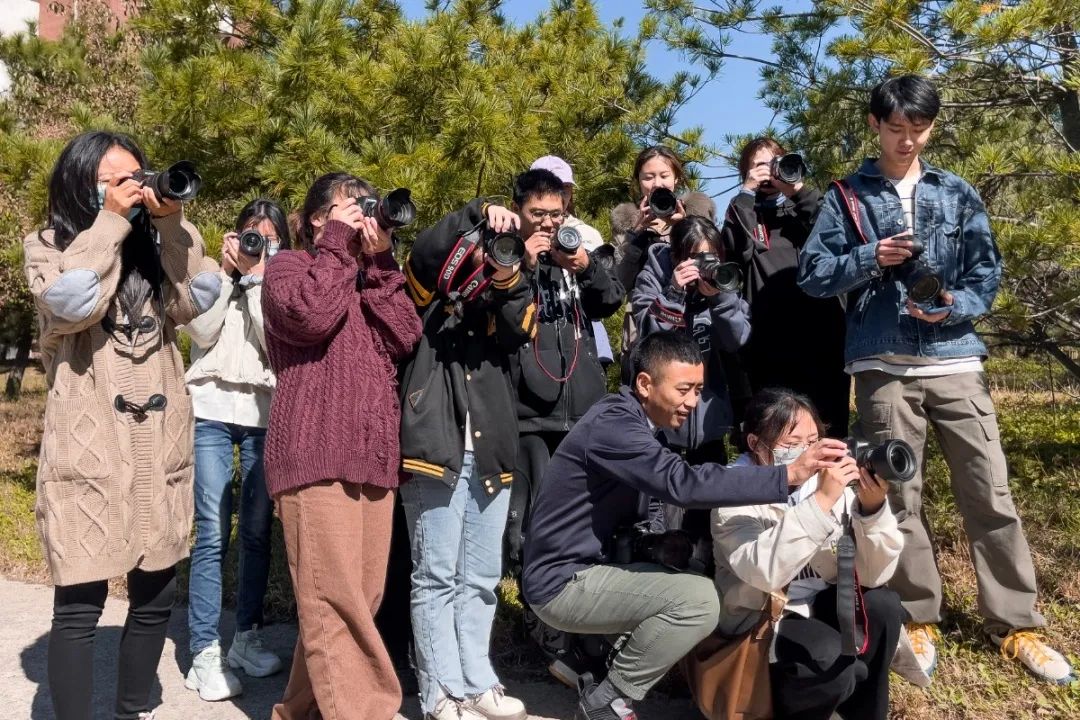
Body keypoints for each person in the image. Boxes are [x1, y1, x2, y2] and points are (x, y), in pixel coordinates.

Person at [798, 74, 1074, 684]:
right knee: (900, 498)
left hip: (956, 360)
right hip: (883, 367)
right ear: (875, 125)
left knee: (991, 492)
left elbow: (987, 273)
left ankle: (1017, 623)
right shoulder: (848, 195)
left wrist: (952, 305)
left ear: (932, 126)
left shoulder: (956, 192)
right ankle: (919, 617)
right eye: (896, 128)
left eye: (918, 129)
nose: (907, 141)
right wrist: (874, 258)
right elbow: (813, 274)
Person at [522, 331, 851, 720]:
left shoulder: (638, 426)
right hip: (562, 581)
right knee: (698, 601)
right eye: (684, 389)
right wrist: (790, 474)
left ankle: (591, 660)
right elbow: (684, 484)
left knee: (690, 573)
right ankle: (608, 701)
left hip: (591, 567)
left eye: (698, 389)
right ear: (645, 384)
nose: (693, 401)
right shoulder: (615, 424)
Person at [23, 129, 221, 720]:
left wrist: (169, 223)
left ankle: (135, 707)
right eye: (113, 180)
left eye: (136, 177)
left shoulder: (158, 244)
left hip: (158, 441)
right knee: (80, 605)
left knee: (156, 594)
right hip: (89, 445)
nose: (130, 189)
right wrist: (109, 225)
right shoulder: (46, 245)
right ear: (81, 184)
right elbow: (75, 302)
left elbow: (195, 302)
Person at [261, 173, 423, 720]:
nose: (360, 216)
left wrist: (380, 264)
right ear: (314, 219)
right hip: (312, 450)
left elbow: (405, 336)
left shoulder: (369, 276)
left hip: (373, 456)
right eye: (347, 208)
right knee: (333, 599)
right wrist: (335, 244)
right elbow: (309, 315)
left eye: (365, 207)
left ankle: (299, 712)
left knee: (357, 599)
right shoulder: (288, 268)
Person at [399, 193, 536, 720]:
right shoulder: (426, 299)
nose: (488, 253)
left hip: (491, 449)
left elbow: (519, 324)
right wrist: (475, 214)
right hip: (436, 445)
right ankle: (439, 693)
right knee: (434, 576)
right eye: (482, 246)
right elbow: (424, 259)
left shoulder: (497, 300)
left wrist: (506, 271)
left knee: (480, 578)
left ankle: (477, 682)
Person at [710, 388, 903, 720]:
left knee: (883, 608)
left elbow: (872, 576)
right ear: (756, 444)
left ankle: (863, 711)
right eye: (791, 443)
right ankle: (796, 703)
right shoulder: (733, 489)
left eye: (813, 440)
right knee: (829, 660)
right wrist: (821, 503)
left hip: (821, 600)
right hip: (762, 617)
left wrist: (871, 511)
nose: (806, 452)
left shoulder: (824, 481)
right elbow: (764, 573)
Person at [503, 163, 625, 688]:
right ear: (520, 213)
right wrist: (522, 266)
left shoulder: (574, 253)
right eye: (538, 215)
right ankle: (544, 634)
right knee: (530, 530)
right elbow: (498, 320)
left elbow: (611, 299)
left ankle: (584, 641)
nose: (549, 225)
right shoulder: (507, 256)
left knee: (585, 528)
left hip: (583, 416)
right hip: (531, 417)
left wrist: (582, 265)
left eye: (556, 215)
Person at [182, 199, 290, 701]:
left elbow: (277, 345)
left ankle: (245, 636)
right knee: (210, 531)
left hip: (263, 416)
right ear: (234, 236)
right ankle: (203, 649)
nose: (257, 245)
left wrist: (260, 278)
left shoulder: (283, 278)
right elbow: (199, 332)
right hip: (210, 411)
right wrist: (227, 276)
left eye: (268, 238)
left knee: (255, 533)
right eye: (251, 235)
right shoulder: (211, 271)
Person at [721, 137, 849, 437]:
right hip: (769, 346)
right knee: (779, 436)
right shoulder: (747, 215)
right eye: (758, 166)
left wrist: (794, 190)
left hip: (823, 341)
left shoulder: (801, 210)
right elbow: (735, 249)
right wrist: (746, 193)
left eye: (773, 162)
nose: (767, 171)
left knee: (830, 431)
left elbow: (835, 229)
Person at [610, 146, 716, 380]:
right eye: (648, 177)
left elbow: (711, 264)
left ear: (676, 178)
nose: (656, 183)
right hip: (644, 320)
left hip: (694, 320)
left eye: (664, 175)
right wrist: (637, 234)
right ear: (638, 181)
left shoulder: (697, 214)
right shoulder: (628, 222)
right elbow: (619, 284)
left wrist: (682, 225)